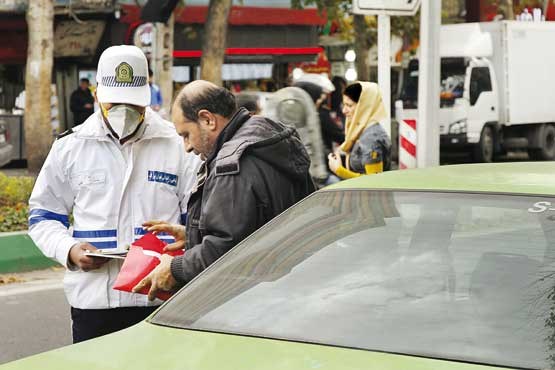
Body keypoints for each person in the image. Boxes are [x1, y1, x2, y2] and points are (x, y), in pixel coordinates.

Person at [28, 45, 201, 343]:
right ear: (97, 95)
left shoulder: (176, 145)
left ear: (147, 98)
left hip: (160, 300)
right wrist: (69, 250)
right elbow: (42, 216)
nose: (124, 112)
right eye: (114, 103)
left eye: (133, 104)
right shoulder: (71, 147)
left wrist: (182, 249)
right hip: (94, 301)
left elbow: (198, 219)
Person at [132, 80, 316, 300]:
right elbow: (253, 225)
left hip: (251, 297)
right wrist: (193, 233)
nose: (187, 147)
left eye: (186, 135)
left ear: (208, 119)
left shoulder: (231, 164)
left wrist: (175, 267)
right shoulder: (267, 137)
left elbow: (226, 247)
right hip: (287, 286)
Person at [328, 81, 391, 179]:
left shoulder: (371, 137)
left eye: (349, 105)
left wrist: (339, 170)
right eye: (344, 105)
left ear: (364, 107)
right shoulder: (361, 130)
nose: (344, 111)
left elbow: (374, 182)